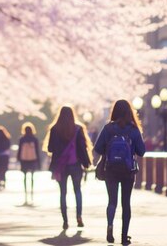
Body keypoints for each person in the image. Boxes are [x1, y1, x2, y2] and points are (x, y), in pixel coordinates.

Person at [94, 100, 146, 246]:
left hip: (110, 170)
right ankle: (124, 236)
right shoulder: (133, 130)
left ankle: (110, 226)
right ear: (129, 112)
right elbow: (142, 151)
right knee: (126, 203)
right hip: (128, 171)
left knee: (112, 201)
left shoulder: (108, 129)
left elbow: (98, 148)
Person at [47, 106, 93, 230]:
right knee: (77, 191)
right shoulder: (78, 129)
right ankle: (79, 216)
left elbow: (50, 148)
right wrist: (86, 163)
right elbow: (83, 148)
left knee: (63, 193)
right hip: (75, 164)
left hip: (61, 165)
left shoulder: (54, 129)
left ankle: (65, 221)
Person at [17, 122, 41, 205]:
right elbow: (37, 151)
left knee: (24, 177)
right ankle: (31, 195)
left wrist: (18, 159)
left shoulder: (22, 139)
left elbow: (19, 150)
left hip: (24, 160)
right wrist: (39, 162)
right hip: (33, 159)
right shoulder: (35, 139)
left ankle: (26, 195)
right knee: (32, 177)